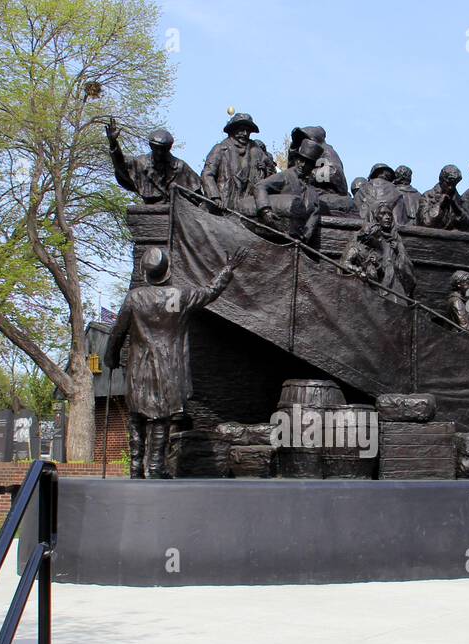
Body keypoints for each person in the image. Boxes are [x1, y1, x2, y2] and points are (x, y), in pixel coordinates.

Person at [107, 246, 248, 478]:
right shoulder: (179, 296)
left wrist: (110, 357)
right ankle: (155, 466)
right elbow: (210, 291)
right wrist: (228, 268)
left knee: (137, 416)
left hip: (138, 370)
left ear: (145, 273)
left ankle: (135, 467)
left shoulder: (134, 297)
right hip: (167, 369)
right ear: (168, 271)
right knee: (160, 419)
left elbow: (117, 332)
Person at [104, 119, 201, 204]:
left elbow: (197, 195)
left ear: (169, 148)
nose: (159, 152)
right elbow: (120, 166)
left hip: (178, 213)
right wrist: (113, 143)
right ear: (151, 146)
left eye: (163, 149)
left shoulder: (180, 167)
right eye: (156, 148)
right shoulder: (139, 164)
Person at [201, 113, 274, 216]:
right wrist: (215, 197)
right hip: (223, 205)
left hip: (247, 207)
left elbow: (272, 174)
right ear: (233, 130)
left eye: (248, 131)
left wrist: (265, 170)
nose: (244, 133)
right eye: (241, 130)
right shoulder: (220, 149)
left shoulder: (255, 150)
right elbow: (207, 174)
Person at [253, 138, 323, 243]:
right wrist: (265, 210)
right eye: (300, 160)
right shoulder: (286, 176)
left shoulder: (313, 192)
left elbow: (314, 214)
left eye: (307, 162)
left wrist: (304, 237)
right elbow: (260, 186)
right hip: (275, 236)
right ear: (296, 159)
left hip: (298, 243)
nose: (302, 165)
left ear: (312, 166)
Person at [340, 204, 415, 297]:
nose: (387, 217)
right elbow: (347, 261)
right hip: (369, 283)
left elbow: (405, 264)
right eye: (383, 214)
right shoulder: (364, 235)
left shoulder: (395, 237)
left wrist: (397, 251)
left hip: (392, 282)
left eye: (389, 214)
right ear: (376, 217)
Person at [417, 164, 469, 232]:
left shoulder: (458, 199)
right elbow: (426, 222)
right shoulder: (427, 196)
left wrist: (457, 209)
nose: (450, 187)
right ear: (441, 180)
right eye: (448, 183)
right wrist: (440, 204)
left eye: (454, 184)